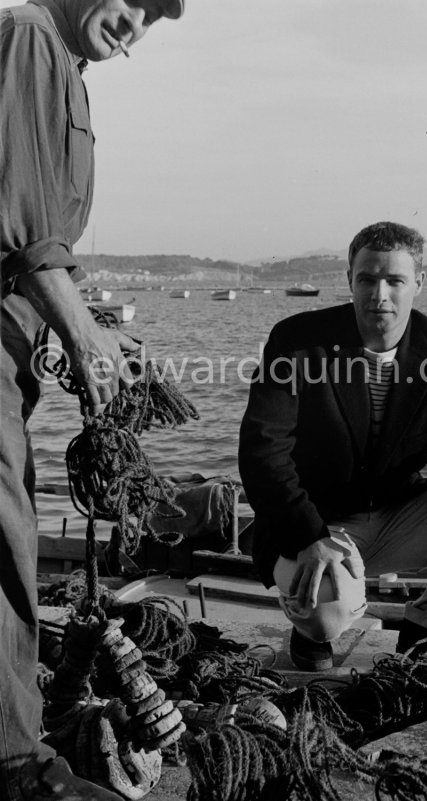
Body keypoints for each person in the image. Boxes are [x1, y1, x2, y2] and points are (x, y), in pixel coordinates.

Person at [0, 0, 184, 798]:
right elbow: (20, 222)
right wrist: (79, 335)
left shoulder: (65, 68)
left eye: (156, 17)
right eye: (136, 0)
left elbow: (41, 250)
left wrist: (97, 328)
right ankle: (12, 762)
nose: (137, 23)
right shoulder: (30, 36)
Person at [239, 221, 427, 674]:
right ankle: (307, 635)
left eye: (395, 280)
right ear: (349, 280)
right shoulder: (297, 341)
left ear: (418, 283)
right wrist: (309, 537)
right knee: (327, 616)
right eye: (367, 279)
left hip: (401, 515)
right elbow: (263, 451)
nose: (379, 293)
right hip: (318, 523)